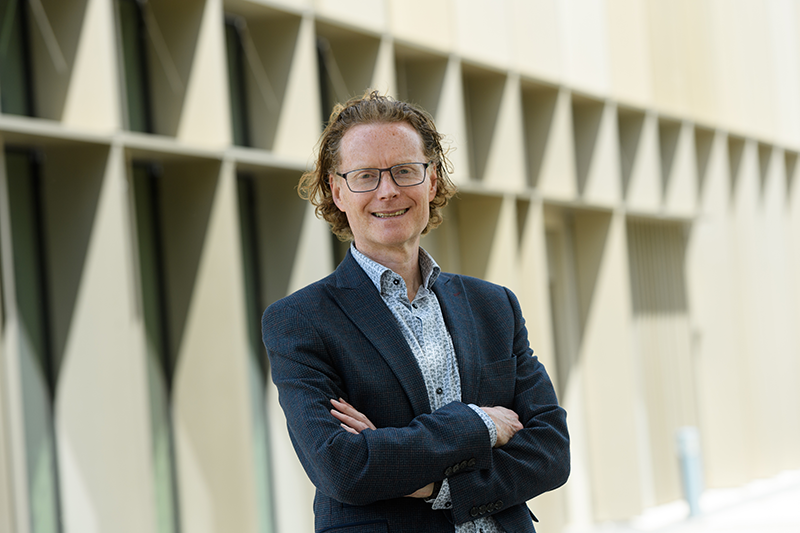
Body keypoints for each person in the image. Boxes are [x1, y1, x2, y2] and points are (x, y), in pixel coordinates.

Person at [261, 91, 569, 532]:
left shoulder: (494, 305)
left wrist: (430, 483)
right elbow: (343, 467)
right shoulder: (300, 321)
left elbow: (551, 452)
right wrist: (479, 422)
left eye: (405, 171)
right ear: (337, 191)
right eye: (365, 176)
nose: (388, 191)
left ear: (432, 181)